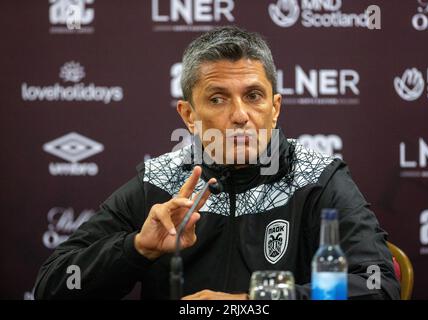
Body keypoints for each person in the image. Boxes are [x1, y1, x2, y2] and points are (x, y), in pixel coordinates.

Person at [34, 26, 400, 300]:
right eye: (218, 98)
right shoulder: (159, 183)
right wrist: (135, 249)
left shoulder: (318, 179)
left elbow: (378, 285)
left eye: (254, 96)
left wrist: (250, 303)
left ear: (274, 108)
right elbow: (53, 285)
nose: (240, 115)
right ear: (188, 115)